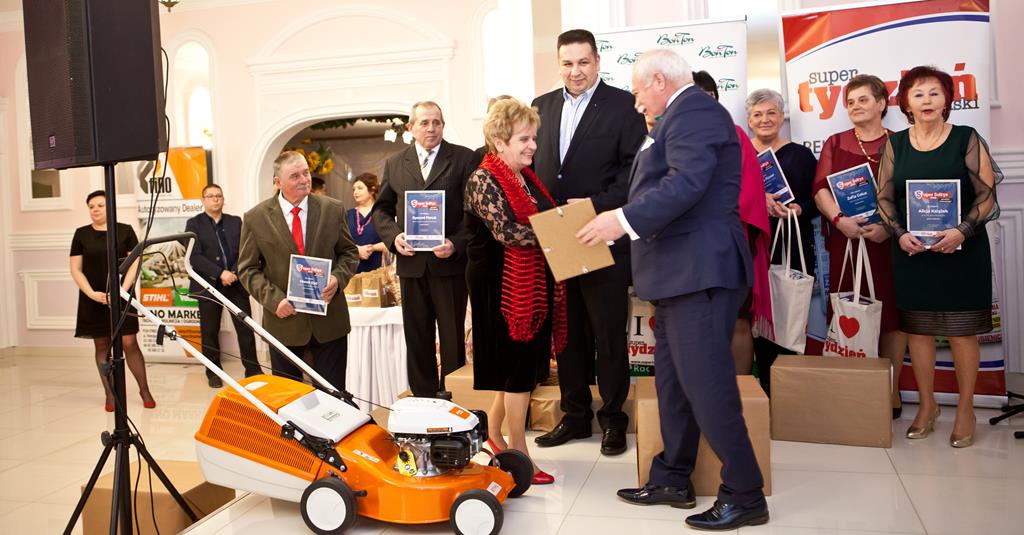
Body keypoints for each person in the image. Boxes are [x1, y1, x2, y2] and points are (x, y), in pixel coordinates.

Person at [579, 49, 768, 531]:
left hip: (698, 274)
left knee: (707, 386)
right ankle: (672, 477)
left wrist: (621, 220)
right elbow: (659, 187)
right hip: (677, 277)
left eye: (638, 91)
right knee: (673, 386)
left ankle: (745, 492)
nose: (637, 102)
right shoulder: (675, 119)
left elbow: (687, 184)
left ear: (659, 80)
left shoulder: (695, 111)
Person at [530, 29, 647, 456]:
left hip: (603, 233)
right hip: (556, 237)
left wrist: (596, 204)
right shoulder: (540, 107)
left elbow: (635, 172)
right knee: (567, 333)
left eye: (583, 62)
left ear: (597, 61)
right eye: (567, 63)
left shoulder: (624, 106)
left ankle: (613, 419)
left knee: (608, 333)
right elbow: (532, 167)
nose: (575, 71)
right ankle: (575, 415)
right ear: (558, 63)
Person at [876, 66, 1001, 448]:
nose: (927, 100)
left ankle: (965, 409)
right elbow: (884, 197)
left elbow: (987, 195)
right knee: (918, 331)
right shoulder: (896, 144)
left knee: (962, 332)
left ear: (947, 99)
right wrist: (899, 234)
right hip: (913, 252)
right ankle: (927, 406)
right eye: (918, 94)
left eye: (934, 92)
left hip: (962, 250)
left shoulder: (966, 138)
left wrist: (962, 230)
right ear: (906, 103)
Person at [464, 97, 563, 485]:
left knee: (516, 370)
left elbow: (538, 224)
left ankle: (493, 435)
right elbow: (509, 233)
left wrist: (561, 226)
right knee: (518, 373)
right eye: (524, 139)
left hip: (529, 283)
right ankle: (519, 454)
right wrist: (561, 231)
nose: (533, 146)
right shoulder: (483, 179)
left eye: (534, 138)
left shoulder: (525, 177)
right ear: (499, 141)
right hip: (501, 290)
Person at [812, 74, 907, 418]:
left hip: (889, 243)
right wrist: (840, 220)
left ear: (882, 104)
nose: (855, 106)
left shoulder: (901, 143)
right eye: (850, 102)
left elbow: (909, 193)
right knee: (848, 310)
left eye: (863, 100)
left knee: (892, 316)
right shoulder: (835, 143)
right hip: (848, 242)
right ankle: (853, 388)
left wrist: (890, 228)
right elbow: (820, 189)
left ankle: (890, 392)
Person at [372, 101, 480, 398]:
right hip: (411, 265)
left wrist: (456, 243)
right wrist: (394, 237)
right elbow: (381, 210)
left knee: (452, 339)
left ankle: (454, 400)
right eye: (424, 122)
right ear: (411, 127)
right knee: (417, 337)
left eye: (437, 122)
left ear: (443, 125)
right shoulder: (396, 163)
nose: (431, 128)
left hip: (449, 265)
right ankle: (423, 399)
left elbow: (474, 212)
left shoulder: (463, 158)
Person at [238, 150, 359, 389]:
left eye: (306, 173)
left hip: (329, 322)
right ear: (278, 182)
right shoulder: (256, 218)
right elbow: (248, 269)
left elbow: (349, 253)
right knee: (289, 396)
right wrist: (274, 301)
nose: (304, 180)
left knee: (333, 394)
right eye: (295, 176)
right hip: (284, 323)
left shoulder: (332, 209)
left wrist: (337, 278)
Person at [693, 70, 773, 376]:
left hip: (730, 244)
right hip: (690, 249)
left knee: (739, 320)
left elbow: (749, 192)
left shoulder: (735, 134)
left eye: (709, 96)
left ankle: (742, 390)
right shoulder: (673, 137)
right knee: (697, 322)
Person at [746, 88, 819, 393]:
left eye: (771, 113)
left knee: (790, 314)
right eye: (757, 114)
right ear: (749, 120)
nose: (765, 119)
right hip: (751, 246)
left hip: (792, 245)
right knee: (756, 318)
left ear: (781, 117)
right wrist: (757, 202)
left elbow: (817, 199)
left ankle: (789, 389)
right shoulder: (740, 155)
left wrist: (799, 208)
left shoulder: (801, 155)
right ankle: (762, 384)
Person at [70, 190, 155, 412]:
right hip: (93, 298)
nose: (95, 210)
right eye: (91, 207)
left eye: (100, 205)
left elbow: (135, 263)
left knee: (129, 343)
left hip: (122, 295)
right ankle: (110, 394)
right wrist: (91, 293)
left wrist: (121, 291)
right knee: (101, 345)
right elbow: (76, 269)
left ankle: (144, 390)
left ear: (110, 207)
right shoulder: (81, 234)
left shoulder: (125, 230)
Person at [185, 184, 262, 387]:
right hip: (208, 285)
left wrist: (233, 272)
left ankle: (253, 370)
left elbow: (246, 250)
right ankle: (213, 372)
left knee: (245, 328)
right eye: (210, 196)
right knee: (209, 331)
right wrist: (220, 273)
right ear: (203, 200)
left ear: (223, 199)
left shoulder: (236, 222)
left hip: (235, 283)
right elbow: (194, 256)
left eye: (218, 195)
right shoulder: (193, 224)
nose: (215, 199)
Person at [346, 173, 386, 273]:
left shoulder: (383, 213)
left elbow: (392, 241)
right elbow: (340, 241)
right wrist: (356, 250)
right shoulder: (347, 214)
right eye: (354, 189)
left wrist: (373, 248)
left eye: (360, 188)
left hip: (376, 270)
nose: (355, 192)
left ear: (372, 190)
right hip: (350, 269)